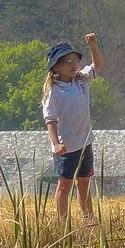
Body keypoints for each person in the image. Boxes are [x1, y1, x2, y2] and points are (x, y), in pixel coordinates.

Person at [42, 34, 106, 224]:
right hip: (66, 148)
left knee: (84, 183)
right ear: (56, 67)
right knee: (64, 186)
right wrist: (56, 144)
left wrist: (93, 45)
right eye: (67, 62)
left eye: (75, 60)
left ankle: (89, 220)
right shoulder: (54, 91)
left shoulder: (81, 80)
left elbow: (98, 65)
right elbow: (50, 120)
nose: (73, 65)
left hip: (84, 143)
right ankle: (62, 223)